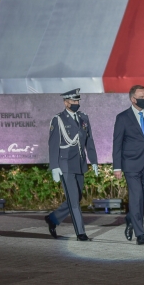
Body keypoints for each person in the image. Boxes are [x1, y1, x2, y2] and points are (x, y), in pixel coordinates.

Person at [112, 85, 144, 246]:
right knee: (136, 198)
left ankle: (130, 218)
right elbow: (117, 144)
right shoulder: (123, 117)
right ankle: (140, 235)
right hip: (131, 165)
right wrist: (117, 167)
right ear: (132, 99)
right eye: (141, 96)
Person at [45, 88, 99, 241]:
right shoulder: (58, 119)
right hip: (65, 164)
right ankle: (81, 233)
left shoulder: (83, 118)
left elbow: (89, 140)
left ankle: (53, 219)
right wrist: (54, 166)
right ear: (65, 102)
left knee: (77, 196)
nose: (76, 103)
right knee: (74, 201)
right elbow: (53, 144)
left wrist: (93, 160)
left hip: (80, 163)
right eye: (73, 101)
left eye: (77, 101)